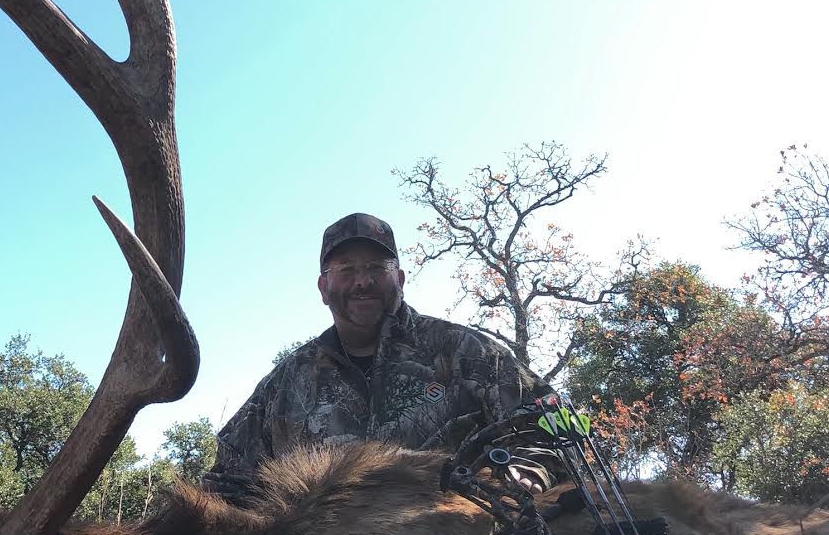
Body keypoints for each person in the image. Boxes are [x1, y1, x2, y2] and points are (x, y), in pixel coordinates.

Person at [203, 212, 561, 501]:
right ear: (323, 287)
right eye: (346, 270)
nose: (363, 281)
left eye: (377, 268)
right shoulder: (286, 383)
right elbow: (225, 484)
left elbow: (556, 425)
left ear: (400, 279)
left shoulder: (466, 352)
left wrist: (529, 473)